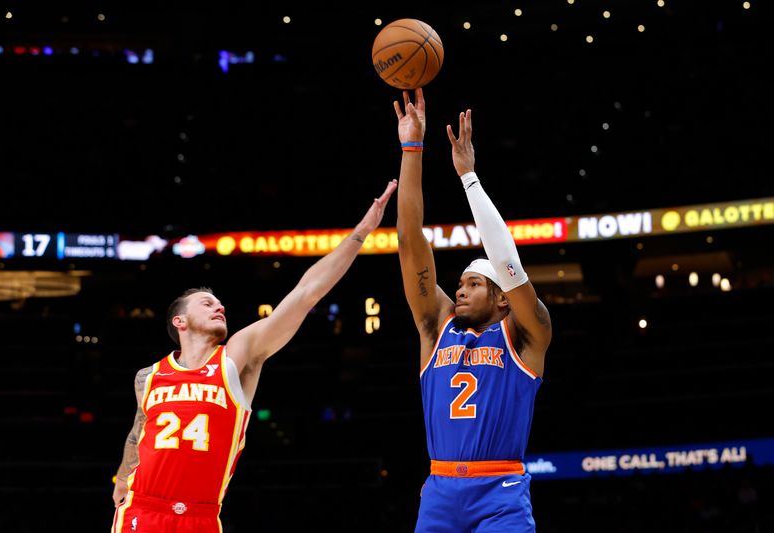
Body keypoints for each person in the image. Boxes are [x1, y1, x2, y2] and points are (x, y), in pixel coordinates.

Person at [110, 179, 397, 533]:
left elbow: (305, 294)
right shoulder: (149, 375)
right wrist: (122, 480)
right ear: (179, 321)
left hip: (201, 515)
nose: (220, 307)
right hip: (143, 509)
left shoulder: (235, 358)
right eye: (207, 303)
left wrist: (361, 232)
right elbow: (138, 432)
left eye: (220, 304)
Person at [394, 87, 552, 532]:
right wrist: (412, 148)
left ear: (502, 297)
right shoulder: (436, 327)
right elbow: (410, 242)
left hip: (500, 492)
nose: (460, 291)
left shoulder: (527, 333)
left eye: (474, 284)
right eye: (460, 284)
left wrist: (469, 178)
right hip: (440, 491)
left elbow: (509, 264)